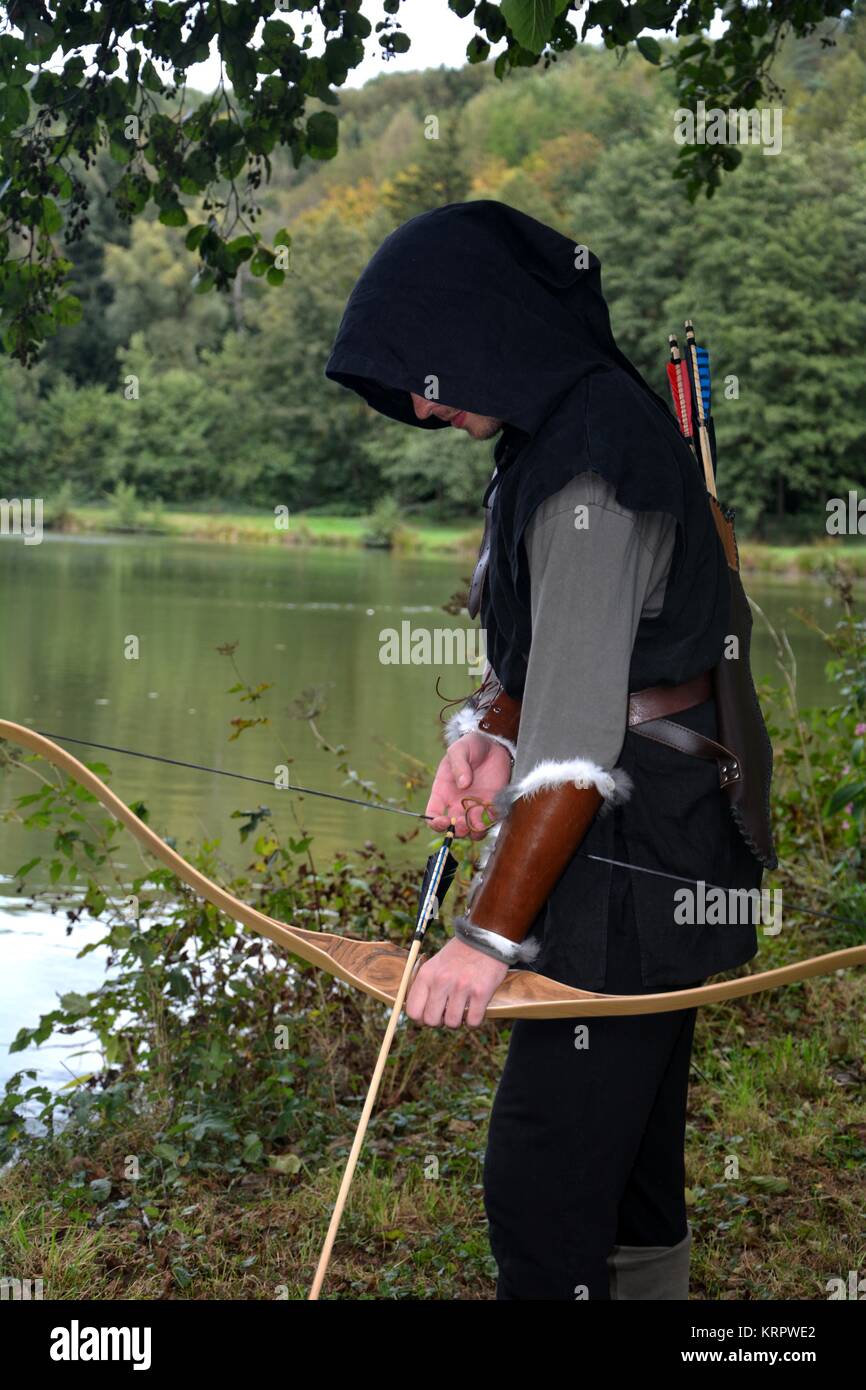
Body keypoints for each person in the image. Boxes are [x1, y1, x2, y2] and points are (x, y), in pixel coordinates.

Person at [325, 200, 773, 1301]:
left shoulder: (589, 463)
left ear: (486, 330)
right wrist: (490, 730)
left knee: (544, 1180)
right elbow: (580, 660)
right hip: (657, 841)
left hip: (630, 858)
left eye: (427, 373)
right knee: (626, 1159)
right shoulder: (567, 429)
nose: (421, 404)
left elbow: (577, 744)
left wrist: (483, 940)